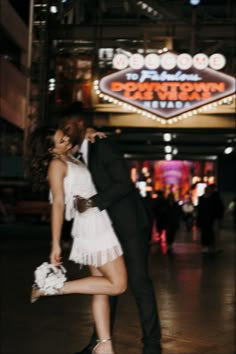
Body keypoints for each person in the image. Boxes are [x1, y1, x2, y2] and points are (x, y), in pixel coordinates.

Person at [61, 102, 162, 354]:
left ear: (80, 127)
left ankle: (152, 347)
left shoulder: (102, 145)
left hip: (128, 225)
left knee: (139, 283)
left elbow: (124, 184)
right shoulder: (75, 154)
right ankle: (99, 343)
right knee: (106, 285)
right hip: (103, 229)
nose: (63, 132)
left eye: (67, 127)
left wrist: (92, 202)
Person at [29, 127, 127, 354]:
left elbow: (81, 138)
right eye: (60, 140)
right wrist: (55, 242)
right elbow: (58, 204)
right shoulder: (57, 164)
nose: (65, 139)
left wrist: (90, 134)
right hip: (92, 226)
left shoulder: (69, 156)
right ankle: (49, 289)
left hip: (96, 221)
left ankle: (104, 345)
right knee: (118, 284)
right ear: (51, 149)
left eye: (63, 135)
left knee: (100, 287)